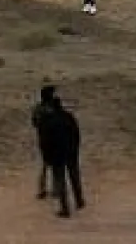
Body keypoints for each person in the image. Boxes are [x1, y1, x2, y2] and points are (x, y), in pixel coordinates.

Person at [35, 90, 85, 218]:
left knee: (60, 180)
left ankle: (65, 208)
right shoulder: (68, 117)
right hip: (71, 152)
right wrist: (75, 149)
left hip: (57, 155)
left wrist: (47, 156)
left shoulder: (47, 121)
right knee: (75, 177)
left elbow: (45, 141)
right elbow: (76, 134)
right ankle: (79, 200)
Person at [30, 86, 58, 200]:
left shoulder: (37, 108)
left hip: (43, 139)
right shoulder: (52, 108)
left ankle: (42, 189)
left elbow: (34, 123)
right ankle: (55, 188)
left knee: (44, 165)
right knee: (54, 165)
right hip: (52, 139)